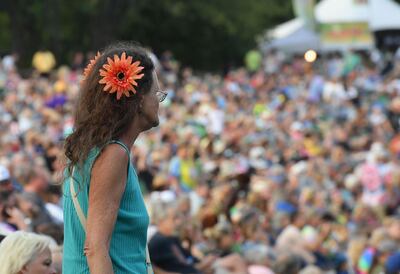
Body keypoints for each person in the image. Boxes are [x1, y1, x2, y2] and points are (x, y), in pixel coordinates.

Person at [63, 42, 167, 273]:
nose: (159, 102)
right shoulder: (112, 154)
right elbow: (95, 248)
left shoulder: (91, 150)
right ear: (139, 98)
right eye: (157, 94)